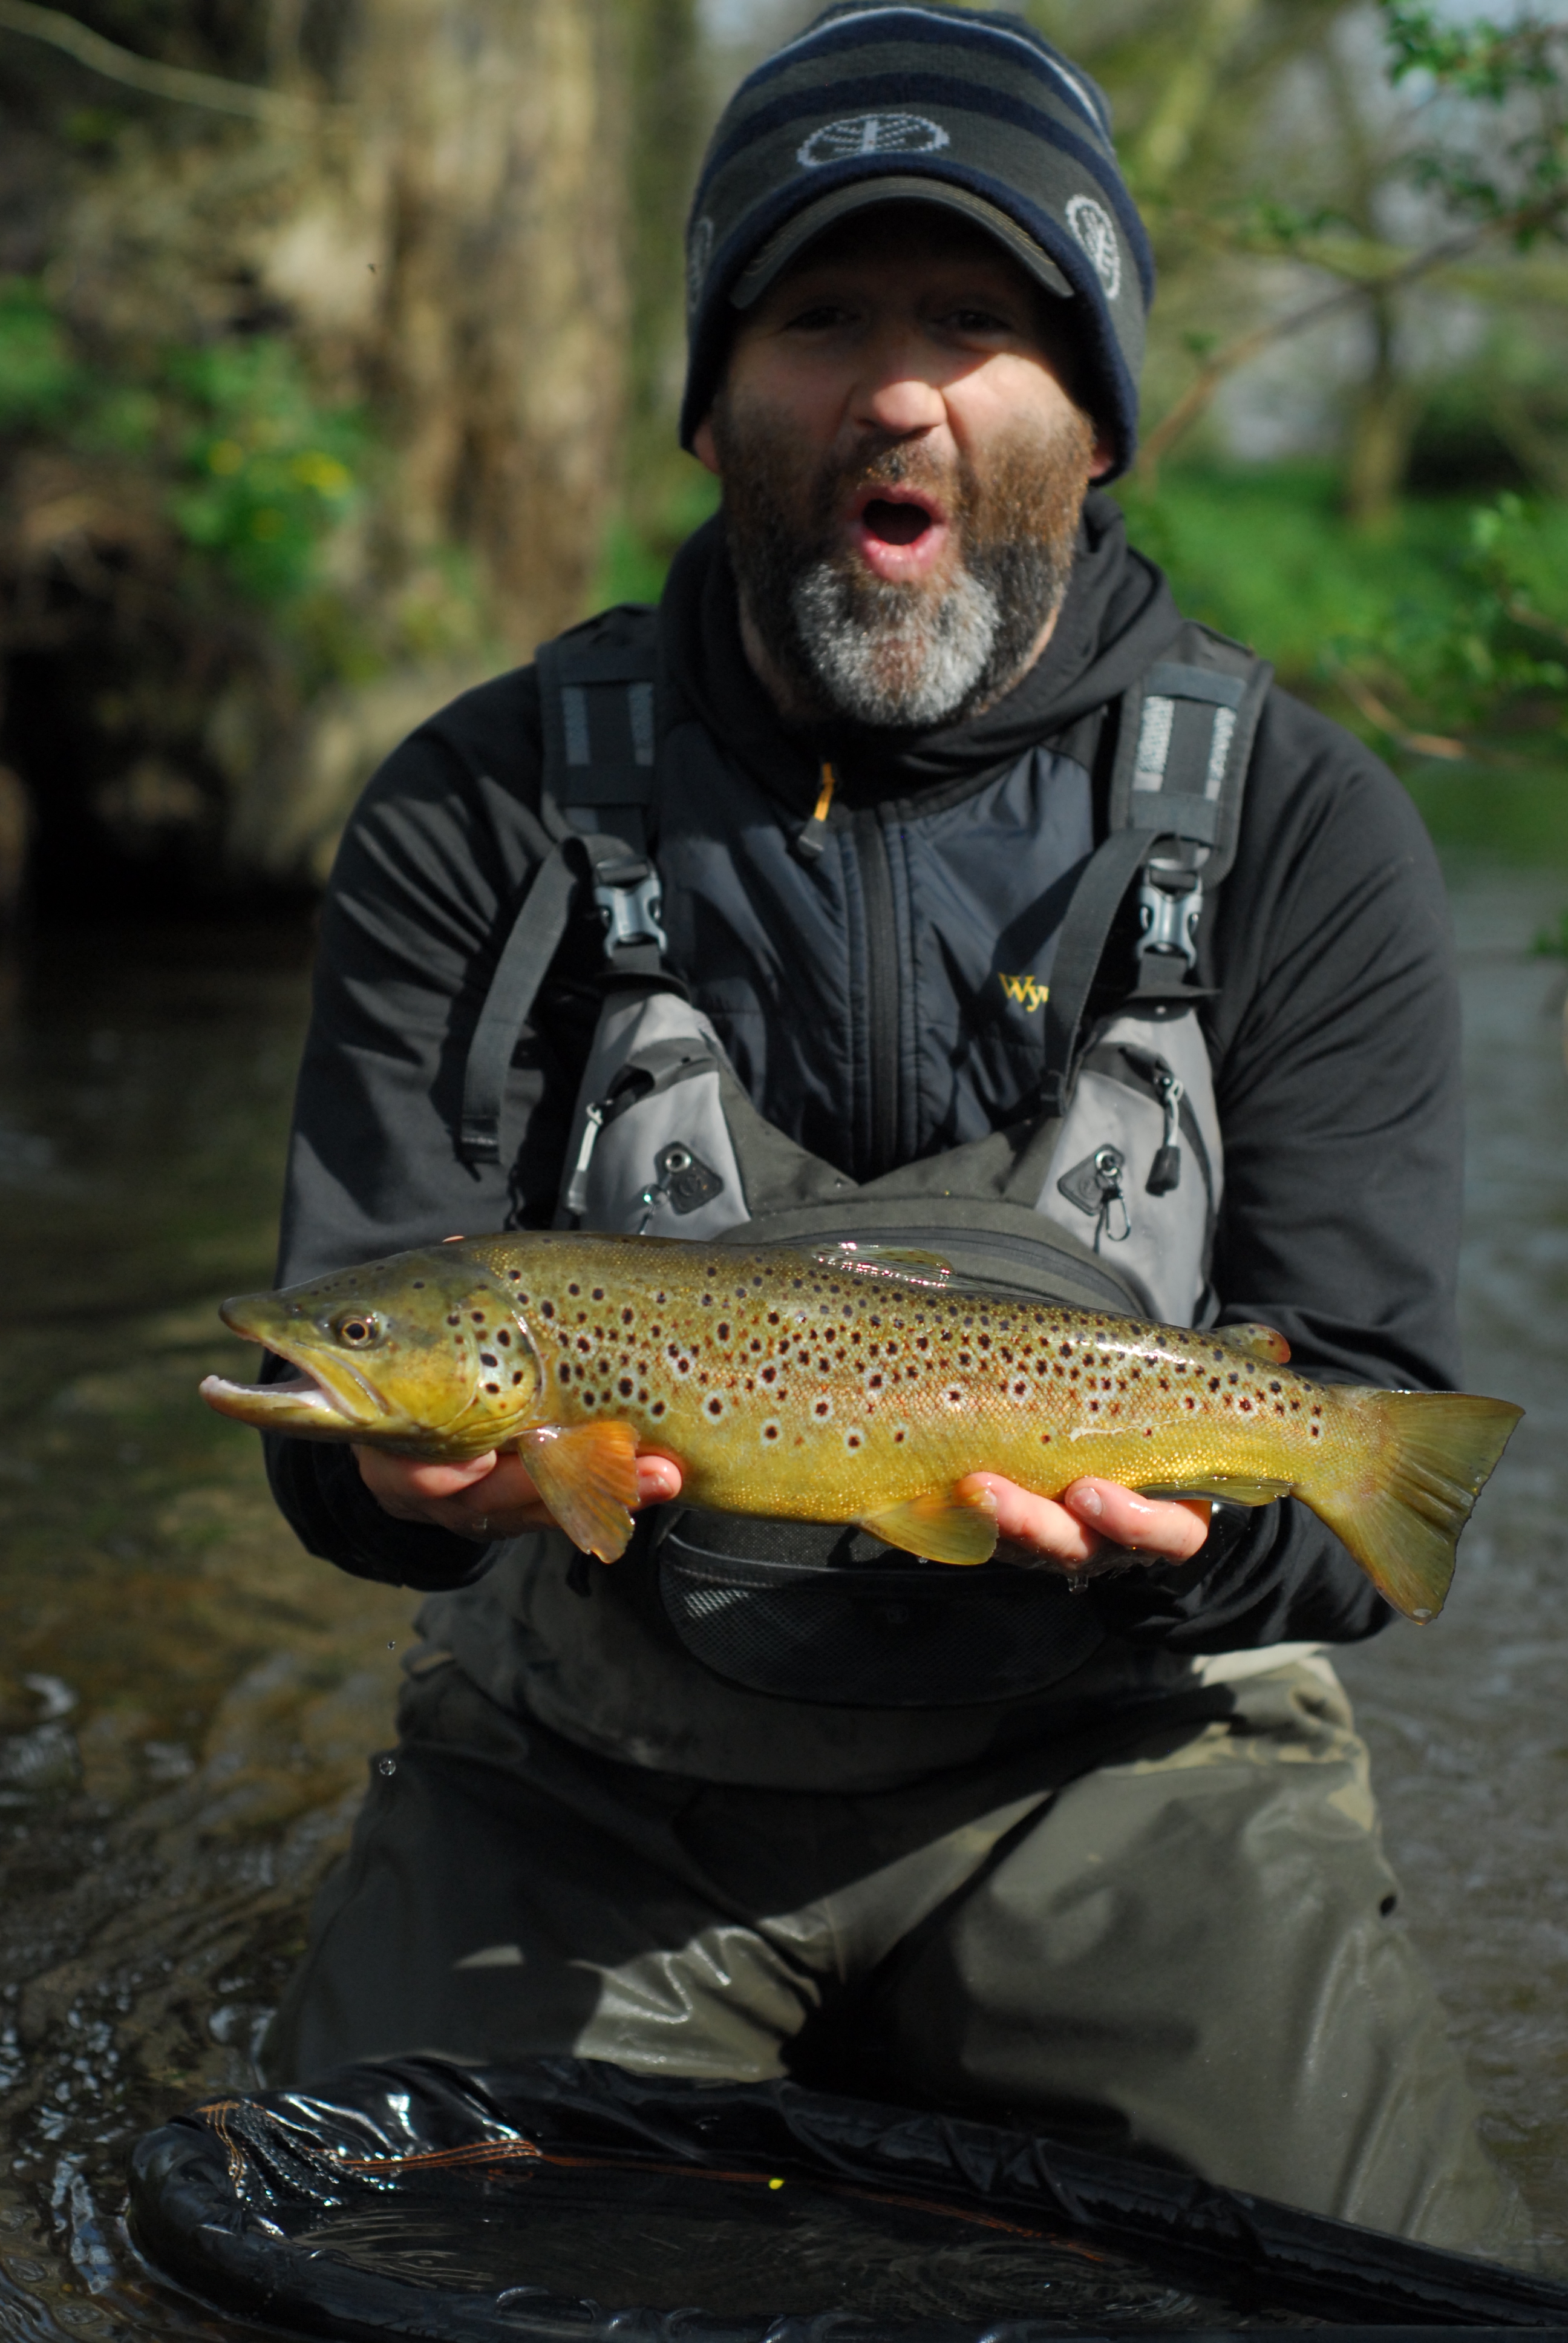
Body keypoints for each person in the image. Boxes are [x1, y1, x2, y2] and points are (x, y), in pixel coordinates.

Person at [258, 0, 1522, 2257]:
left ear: (1096, 417)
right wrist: (381, 1483)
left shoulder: (1304, 831)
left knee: (1384, 2288)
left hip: (1127, 1757)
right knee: (349, 2259)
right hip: (595, 1781)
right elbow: (355, 1356)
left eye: (976, 321)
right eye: (820, 317)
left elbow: (1358, 1485)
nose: (898, 389)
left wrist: (1188, 1532)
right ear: (714, 402)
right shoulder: (478, 806)